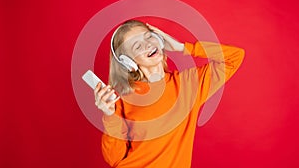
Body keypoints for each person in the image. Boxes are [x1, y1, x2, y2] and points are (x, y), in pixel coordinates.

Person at [94, 20, 245, 168]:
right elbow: (114, 159)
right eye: (138, 46)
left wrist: (183, 47)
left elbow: (234, 57)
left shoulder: (188, 84)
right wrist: (109, 115)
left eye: (149, 37)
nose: (148, 44)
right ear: (128, 62)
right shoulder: (123, 100)